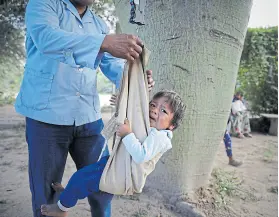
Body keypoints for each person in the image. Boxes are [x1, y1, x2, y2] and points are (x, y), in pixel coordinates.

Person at [14, 0, 155, 216]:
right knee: (47, 192)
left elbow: (110, 64)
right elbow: (47, 39)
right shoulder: (42, 5)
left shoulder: (98, 24)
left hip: (89, 118)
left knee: (103, 183)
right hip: (46, 118)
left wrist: (134, 79)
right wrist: (103, 42)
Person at [40, 90, 186, 217]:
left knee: (81, 178)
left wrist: (127, 134)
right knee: (83, 177)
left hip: (123, 174)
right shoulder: (150, 126)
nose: (154, 110)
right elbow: (134, 115)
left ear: (171, 126)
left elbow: (141, 155)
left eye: (163, 111)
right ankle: (68, 194)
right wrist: (124, 105)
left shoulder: (160, 137)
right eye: (153, 105)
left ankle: (62, 208)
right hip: (117, 163)